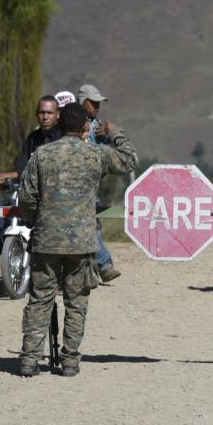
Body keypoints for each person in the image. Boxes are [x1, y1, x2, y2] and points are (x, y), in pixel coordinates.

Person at [18, 102, 138, 377]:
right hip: (82, 243)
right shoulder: (95, 153)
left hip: (46, 240)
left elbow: (26, 197)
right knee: (76, 302)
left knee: (40, 300)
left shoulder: (42, 154)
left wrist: (39, 220)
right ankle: (70, 360)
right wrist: (116, 133)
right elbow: (129, 159)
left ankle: (29, 359)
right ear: (85, 126)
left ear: (60, 124)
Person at [0, 95, 61, 293]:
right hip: (31, 201)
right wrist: (6, 178)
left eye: (49, 112)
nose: (45, 116)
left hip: (56, 204)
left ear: (57, 115)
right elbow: (22, 169)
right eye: (41, 112)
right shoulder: (33, 139)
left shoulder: (64, 140)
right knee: (1, 225)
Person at [77, 84, 121, 282]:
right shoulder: (75, 123)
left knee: (88, 226)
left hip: (92, 187)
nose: (97, 107)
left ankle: (92, 268)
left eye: (98, 103)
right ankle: (104, 264)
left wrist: (108, 137)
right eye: (92, 103)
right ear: (82, 102)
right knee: (88, 226)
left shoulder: (95, 126)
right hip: (77, 186)